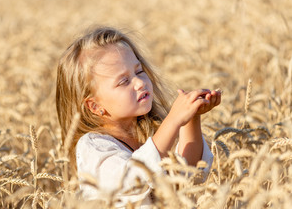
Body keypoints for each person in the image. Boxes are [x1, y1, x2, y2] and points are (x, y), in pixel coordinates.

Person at [56, 27, 221, 207]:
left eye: (139, 71)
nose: (140, 82)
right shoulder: (93, 146)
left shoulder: (151, 133)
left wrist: (191, 119)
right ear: (95, 106)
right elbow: (131, 180)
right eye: (124, 81)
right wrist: (173, 120)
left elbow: (189, 172)